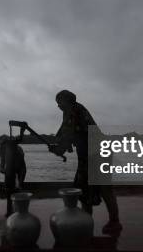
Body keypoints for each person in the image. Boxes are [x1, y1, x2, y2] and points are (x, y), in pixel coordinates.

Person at [48, 90, 122, 234]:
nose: (58, 106)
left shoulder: (73, 111)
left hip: (97, 154)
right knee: (85, 188)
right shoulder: (73, 110)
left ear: (67, 101)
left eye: (60, 102)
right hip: (92, 154)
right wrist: (65, 145)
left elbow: (68, 135)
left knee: (99, 188)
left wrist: (60, 149)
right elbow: (69, 133)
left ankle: (112, 222)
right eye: (57, 103)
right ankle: (92, 222)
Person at [0, 139, 27, 215]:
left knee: (19, 189)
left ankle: (20, 210)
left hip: (20, 169)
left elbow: (23, 170)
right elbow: (1, 168)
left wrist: (20, 183)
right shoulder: (4, 152)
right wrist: (4, 171)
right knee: (9, 191)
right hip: (9, 171)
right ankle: (9, 211)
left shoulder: (19, 152)